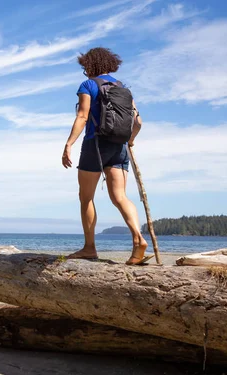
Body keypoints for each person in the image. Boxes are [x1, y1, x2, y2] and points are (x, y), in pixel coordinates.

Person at [61, 47, 149, 265]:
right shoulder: (123, 88)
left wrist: (68, 144)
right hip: (119, 146)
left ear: (89, 66)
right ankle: (138, 239)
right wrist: (130, 141)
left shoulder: (88, 85)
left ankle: (90, 248)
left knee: (86, 197)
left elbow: (82, 116)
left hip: (95, 145)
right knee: (120, 196)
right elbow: (137, 122)